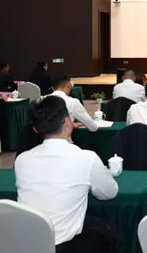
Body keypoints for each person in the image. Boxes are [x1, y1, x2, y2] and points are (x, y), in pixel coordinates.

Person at [15, 96, 118, 251]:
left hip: (26, 244)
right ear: (67, 122)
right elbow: (109, 193)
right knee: (110, 231)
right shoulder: (86, 158)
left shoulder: (22, 160)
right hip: (64, 246)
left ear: (35, 129)